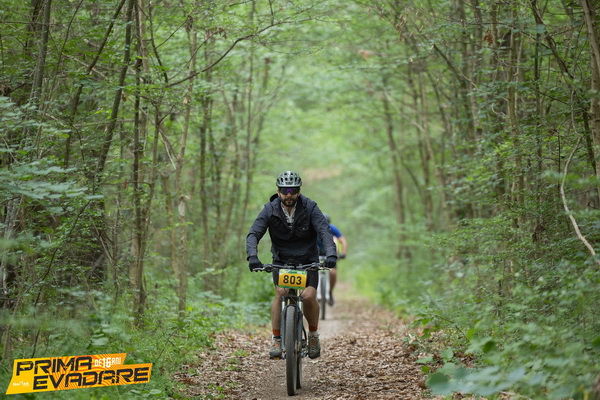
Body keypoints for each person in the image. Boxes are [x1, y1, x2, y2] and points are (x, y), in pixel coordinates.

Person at [246, 171, 337, 360]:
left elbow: (324, 231)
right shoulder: (270, 209)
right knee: (281, 293)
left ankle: (313, 335)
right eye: (285, 190)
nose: (289, 195)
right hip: (282, 260)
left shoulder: (310, 207)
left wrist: (331, 253)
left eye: (293, 190)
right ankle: (276, 339)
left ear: (299, 191)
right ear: (278, 191)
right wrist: (252, 256)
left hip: (308, 260)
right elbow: (254, 233)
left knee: (309, 296)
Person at [320, 213, 347, 306]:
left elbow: (342, 240)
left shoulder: (332, 228)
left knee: (333, 273)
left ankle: (330, 292)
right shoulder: (314, 228)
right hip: (316, 253)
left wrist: (343, 253)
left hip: (330, 254)